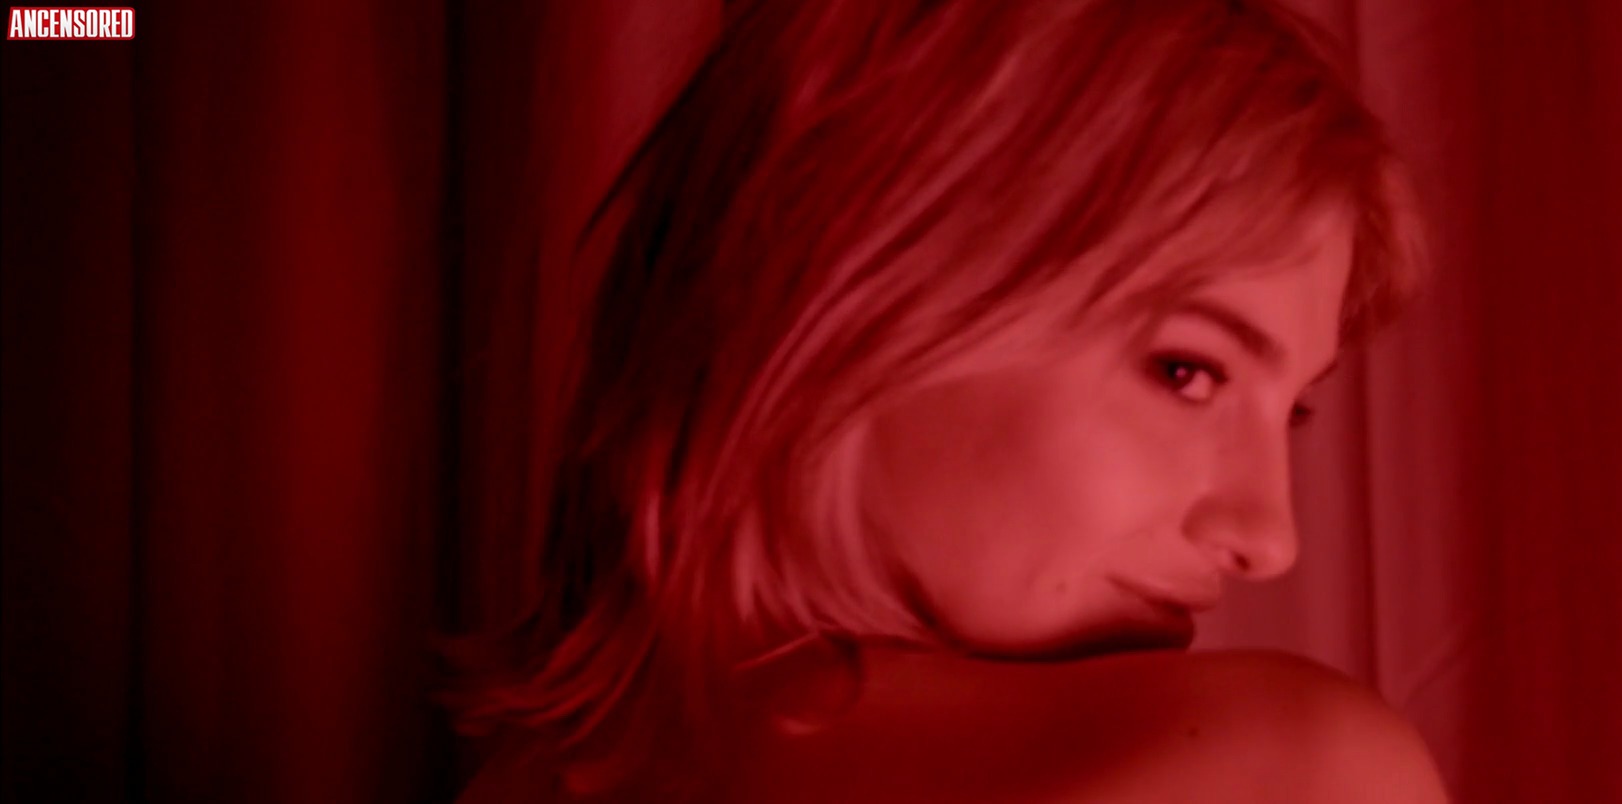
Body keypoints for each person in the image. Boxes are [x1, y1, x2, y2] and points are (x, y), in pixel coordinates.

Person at [449, 0, 1446, 800]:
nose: (1269, 538)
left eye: (1292, 411)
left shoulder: (520, 783)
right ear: (853, 281)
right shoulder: (1294, 769)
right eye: (1187, 371)